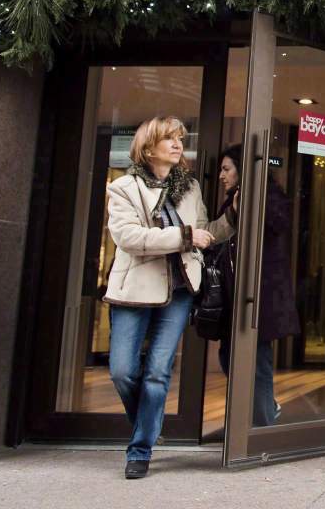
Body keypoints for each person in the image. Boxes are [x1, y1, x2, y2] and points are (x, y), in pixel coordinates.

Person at [104, 116, 234, 480]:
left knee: (158, 372)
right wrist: (185, 236)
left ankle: (140, 449)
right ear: (148, 148)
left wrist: (234, 215)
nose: (178, 144)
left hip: (179, 290)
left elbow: (204, 232)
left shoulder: (189, 187)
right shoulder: (123, 188)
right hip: (134, 291)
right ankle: (149, 422)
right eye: (170, 139)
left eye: (180, 138)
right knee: (123, 371)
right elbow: (130, 238)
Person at [212, 144, 302, 428]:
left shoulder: (270, 196)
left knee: (258, 361)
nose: (222, 176)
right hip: (236, 294)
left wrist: (249, 203)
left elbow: (278, 223)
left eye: (227, 169)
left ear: (243, 169)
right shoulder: (232, 200)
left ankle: (261, 427)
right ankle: (264, 409)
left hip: (261, 294)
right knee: (229, 356)